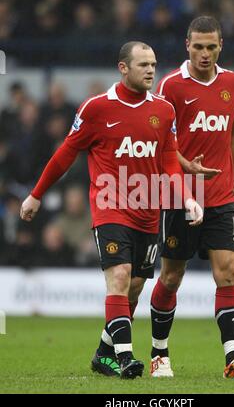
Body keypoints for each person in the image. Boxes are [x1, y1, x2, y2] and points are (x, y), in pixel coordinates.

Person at [20, 41, 205, 380]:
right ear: (123, 68)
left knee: (134, 287)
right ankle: (125, 358)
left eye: (153, 64)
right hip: (110, 208)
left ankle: (103, 353)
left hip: (149, 211)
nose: (151, 70)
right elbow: (66, 153)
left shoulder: (164, 110)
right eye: (143, 64)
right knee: (118, 279)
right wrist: (36, 195)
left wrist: (188, 198)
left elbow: (169, 161)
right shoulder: (96, 108)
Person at [149, 16, 234, 379]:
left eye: (210, 47)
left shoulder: (233, 83)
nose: (204, 54)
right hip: (180, 195)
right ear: (187, 45)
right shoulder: (170, 86)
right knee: (171, 276)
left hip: (221, 195)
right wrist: (187, 167)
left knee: (228, 272)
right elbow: (160, 146)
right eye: (197, 46)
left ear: (221, 47)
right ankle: (159, 354)